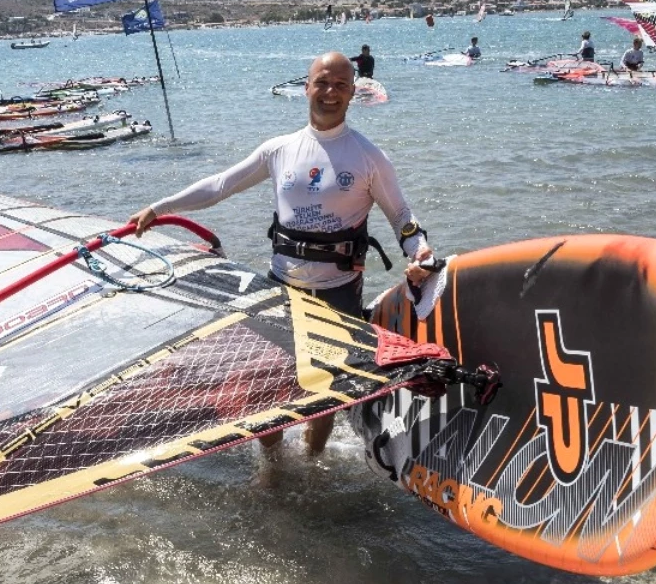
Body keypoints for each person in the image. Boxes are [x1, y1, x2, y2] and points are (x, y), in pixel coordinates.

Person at [128, 52, 435, 455]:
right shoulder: (280, 150)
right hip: (282, 287)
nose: (330, 93)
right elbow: (221, 185)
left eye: (341, 85)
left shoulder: (367, 156)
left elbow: (401, 215)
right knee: (263, 385)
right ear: (306, 86)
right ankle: (271, 462)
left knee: (324, 390)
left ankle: (311, 459)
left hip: (338, 292)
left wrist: (419, 251)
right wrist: (161, 208)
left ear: (353, 93)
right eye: (322, 83)